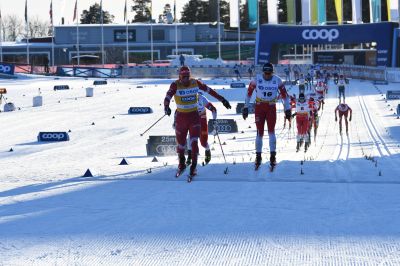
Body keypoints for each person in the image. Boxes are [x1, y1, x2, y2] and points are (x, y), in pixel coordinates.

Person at [164, 66, 231, 177]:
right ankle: (181, 164)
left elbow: (210, 91)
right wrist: (166, 106)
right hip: (181, 117)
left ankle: (194, 167)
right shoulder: (175, 85)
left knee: (194, 141)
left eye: (187, 77)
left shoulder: (195, 83)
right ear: (179, 77)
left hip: (194, 116)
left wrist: (222, 99)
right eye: (183, 77)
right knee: (181, 144)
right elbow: (168, 96)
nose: (186, 79)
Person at [242, 62, 291, 169]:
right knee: (259, 132)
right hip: (259, 107)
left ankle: (273, 156)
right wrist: (245, 107)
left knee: (271, 131)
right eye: (266, 73)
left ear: (272, 72)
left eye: (269, 73)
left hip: (271, 107)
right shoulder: (256, 79)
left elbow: (285, 96)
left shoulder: (277, 80)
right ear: (263, 72)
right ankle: (258, 156)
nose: (267, 75)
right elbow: (248, 93)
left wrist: (288, 110)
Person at [185, 91, 217, 166]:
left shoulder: (202, 99)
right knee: (190, 138)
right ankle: (189, 157)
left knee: (203, 143)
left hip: (202, 121)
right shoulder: (187, 99)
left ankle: (207, 151)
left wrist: (214, 120)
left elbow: (213, 109)